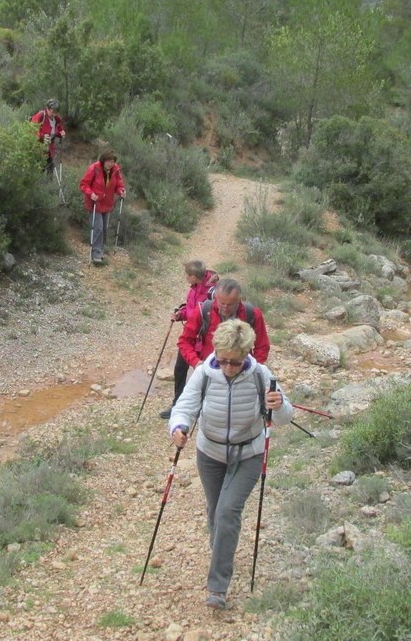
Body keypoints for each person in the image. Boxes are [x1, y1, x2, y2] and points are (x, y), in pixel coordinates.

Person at [168, 319, 292, 609]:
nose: (227, 368)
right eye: (222, 361)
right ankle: (221, 548)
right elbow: (185, 406)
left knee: (227, 511)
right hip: (209, 453)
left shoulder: (261, 374)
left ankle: (218, 586)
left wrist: (279, 405)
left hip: (248, 453)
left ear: (247, 353)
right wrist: (179, 426)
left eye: (234, 363)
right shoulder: (205, 373)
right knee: (215, 509)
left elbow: (285, 416)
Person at [160, 260, 219, 420]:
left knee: (205, 372)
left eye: (186, 275)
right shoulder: (194, 288)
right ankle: (178, 405)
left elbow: (201, 314)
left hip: (206, 339)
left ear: (193, 276)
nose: (185, 277)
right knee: (180, 369)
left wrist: (187, 314)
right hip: (191, 335)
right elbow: (191, 309)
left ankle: (206, 407)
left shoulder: (213, 291)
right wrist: (181, 314)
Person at [176, 277, 270, 371]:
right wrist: (196, 362)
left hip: (241, 370)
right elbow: (185, 341)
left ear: (239, 299)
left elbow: (262, 346)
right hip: (210, 369)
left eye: (230, 304)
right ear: (215, 297)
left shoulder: (252, 314)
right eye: (222, 303)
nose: (225, 307)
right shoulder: (203, 311)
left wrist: (252, 368)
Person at [79, 149, 125, 266]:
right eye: (109, 161)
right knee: (98, 228)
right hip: (95, 203)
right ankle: (95, 254)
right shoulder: (94, 168)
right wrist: (91, 194)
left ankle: (100, 250)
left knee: (104, 228)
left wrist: (121, 191)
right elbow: (84, 184)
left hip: (107, 204)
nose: (111, 163)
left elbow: (119, 185)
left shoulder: (115, 170)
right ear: (103, 161)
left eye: (113, 161)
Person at [30, 98, 66, 173]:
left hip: (49, 148)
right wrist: (42, 137)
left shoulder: (57, 119)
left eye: (56, 112)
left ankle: (48, 183)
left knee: (50, 169)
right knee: (39, 169)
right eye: (53, 112)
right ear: (47, 109)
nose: (54, 114)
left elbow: (59, 130)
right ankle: (38, 183)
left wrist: (61, 133)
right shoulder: (41, 115)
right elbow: (31, 129)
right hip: (38, 148)